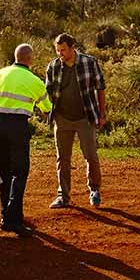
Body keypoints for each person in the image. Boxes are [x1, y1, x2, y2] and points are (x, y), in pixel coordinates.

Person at [0, 44, 52, 237]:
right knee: (19, 172)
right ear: (30, 59)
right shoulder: (34, 80)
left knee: (4, 172)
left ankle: (6, 215)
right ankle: (14, 219)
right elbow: (47, 107)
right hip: (19, 127)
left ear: (15, 56)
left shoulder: (0, 74)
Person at [45, 33, 106, 209]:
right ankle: (63, 196)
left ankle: (94, 190)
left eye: (63, 50)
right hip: (62, 118)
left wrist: (102, 114)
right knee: (62, 159)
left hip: (85, 117)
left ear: (73, 48)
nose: (60, 54)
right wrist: (49, 113)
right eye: (57, 50)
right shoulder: (53, 67)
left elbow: (101, 88)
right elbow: (47, 93)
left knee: (91, 156)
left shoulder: (90, 62)